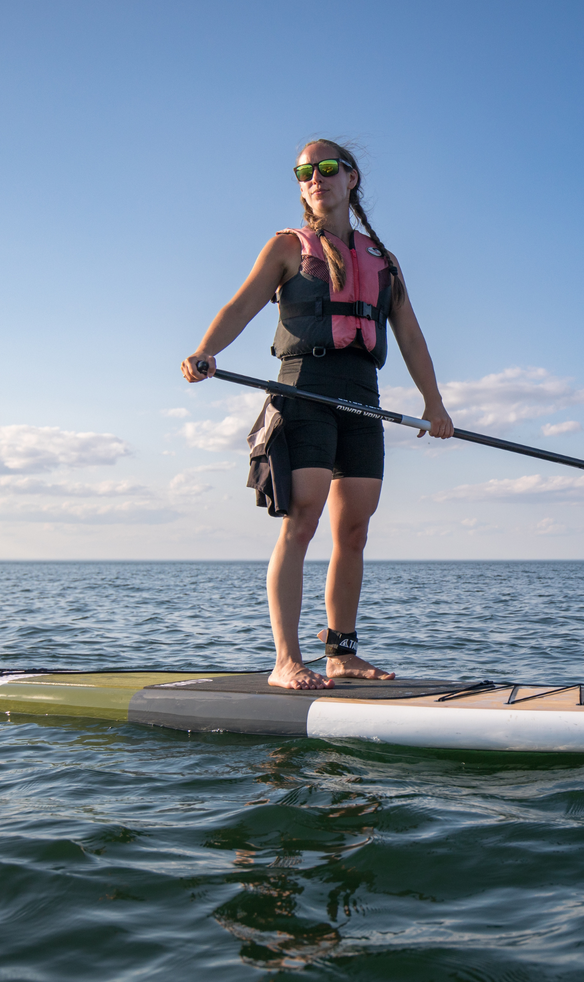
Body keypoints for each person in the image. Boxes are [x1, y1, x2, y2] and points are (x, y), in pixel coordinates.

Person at [181, 139, 454, 689]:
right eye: (304, 172)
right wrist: (207, 350)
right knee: (301, 521)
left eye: (327, 168)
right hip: (303, 391)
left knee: (353, 530)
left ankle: (342, 653)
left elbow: (411, 336)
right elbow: (240, 304)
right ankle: (286, 660)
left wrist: (435, 404)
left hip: (361, 397)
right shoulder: (287, 246)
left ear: (351, 179)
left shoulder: (384, 261)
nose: (315, 178)